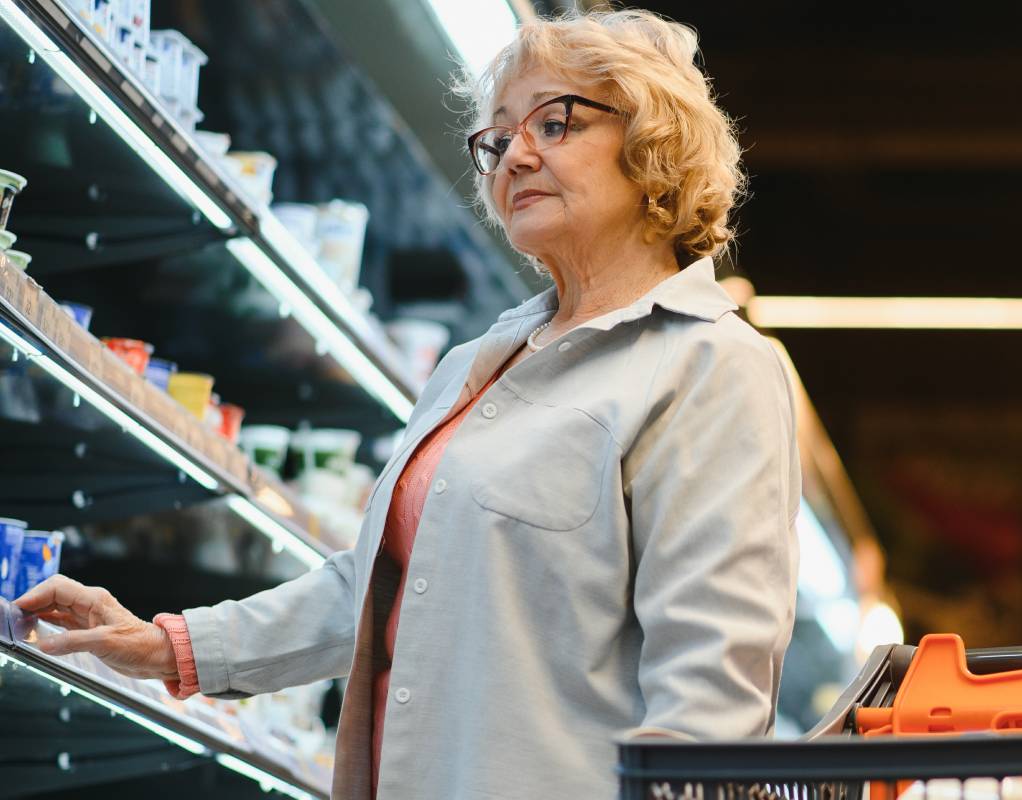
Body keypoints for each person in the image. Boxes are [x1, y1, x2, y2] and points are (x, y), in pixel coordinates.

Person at [17, 8, 799, 798]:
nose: (515, 155)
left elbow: (710, 702)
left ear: (654, 141)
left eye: (555, 122)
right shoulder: (474, 367)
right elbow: (374, 587)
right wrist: (168, 645)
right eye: (499, 137)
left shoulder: (708, 365)